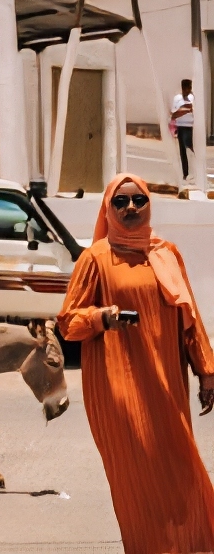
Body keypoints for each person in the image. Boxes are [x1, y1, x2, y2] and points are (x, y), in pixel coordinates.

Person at [57, 173, 214, 553]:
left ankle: (186, 545)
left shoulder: (166, 253)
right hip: (119, 386)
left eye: (138, 200)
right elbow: (68, 323)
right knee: (139, 471)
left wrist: (206, 371)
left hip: (167, 383)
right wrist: (101, 317)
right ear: (108, 208)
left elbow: (189, 316)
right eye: (121, 201)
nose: (130, 207)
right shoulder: (96, 258)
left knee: (179, 467)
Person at [172, 79, 196, 182]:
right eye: (186, 88)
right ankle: (185, 173)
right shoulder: (177, 98)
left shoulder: (192, 98)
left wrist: (184, 109)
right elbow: (174, 114)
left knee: (189, 148)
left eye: (189, 88)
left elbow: (194, 109)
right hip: (180, 126)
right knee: (183, 151)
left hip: (190, 126)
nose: (187, 90)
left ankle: (193, 172)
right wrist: (186, 109)